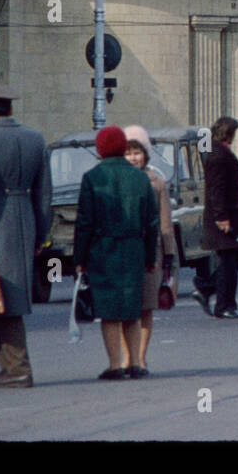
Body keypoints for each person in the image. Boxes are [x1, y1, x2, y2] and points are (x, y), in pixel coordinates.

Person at [0, 82, 52, 389]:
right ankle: (9, 366)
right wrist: (41, 236)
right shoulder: (35, 138)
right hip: (26, 219)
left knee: (2, 296)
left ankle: (17, 368)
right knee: (4, 295)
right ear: (12, 109)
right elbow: (45, 193)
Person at [73, 125, 158, 380]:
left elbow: (84, 223)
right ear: (123, 147)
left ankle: (115, 365)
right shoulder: (140, 178)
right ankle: (135, 363)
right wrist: (151, 256)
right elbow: (151, 223)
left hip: (103, 250)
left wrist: (79, 259)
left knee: (109, 311)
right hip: (133, 249)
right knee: (132, 309)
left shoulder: (92, 178)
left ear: (100, 149)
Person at [122, 125, 176, 376]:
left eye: (137, 152)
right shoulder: (118, 180)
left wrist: (169, 256)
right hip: (125, 251)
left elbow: (165, 222)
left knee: (145, 307)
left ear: (146, 154)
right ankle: (126, 357)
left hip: (150, 252)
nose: (133, 157)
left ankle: (140, 357)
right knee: (125, 309)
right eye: (128, 153)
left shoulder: (157, 182)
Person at [192, 116, 238, 319]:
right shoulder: (217, 154)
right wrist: (221, 217)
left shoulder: (219, 151)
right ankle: (224, 305)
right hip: (224, 218)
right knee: (229, 261)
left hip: (228, 215)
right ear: (229, 132)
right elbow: (216, 189)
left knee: (235, 259)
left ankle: (205, 289)